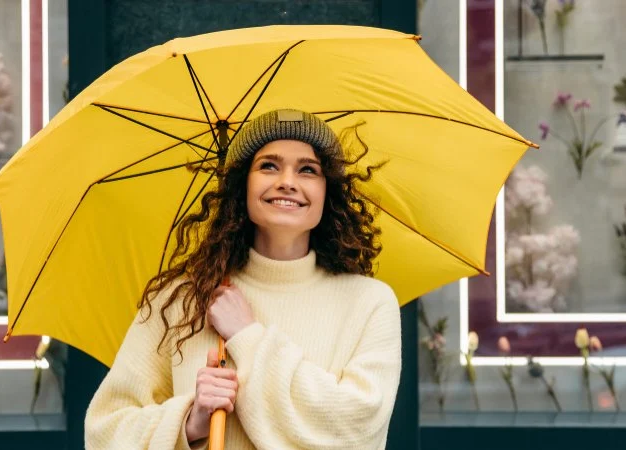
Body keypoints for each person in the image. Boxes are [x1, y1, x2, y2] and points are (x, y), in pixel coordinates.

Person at [84, 109, 402, 449]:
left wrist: (247, 336)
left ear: (329, 192)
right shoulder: (183, 300)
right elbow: (105, 432)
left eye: (308, 169)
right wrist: (190, 421)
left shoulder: (369, 303)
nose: (288, 182)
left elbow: (356, 429)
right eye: (269, 165)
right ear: (242, 186)